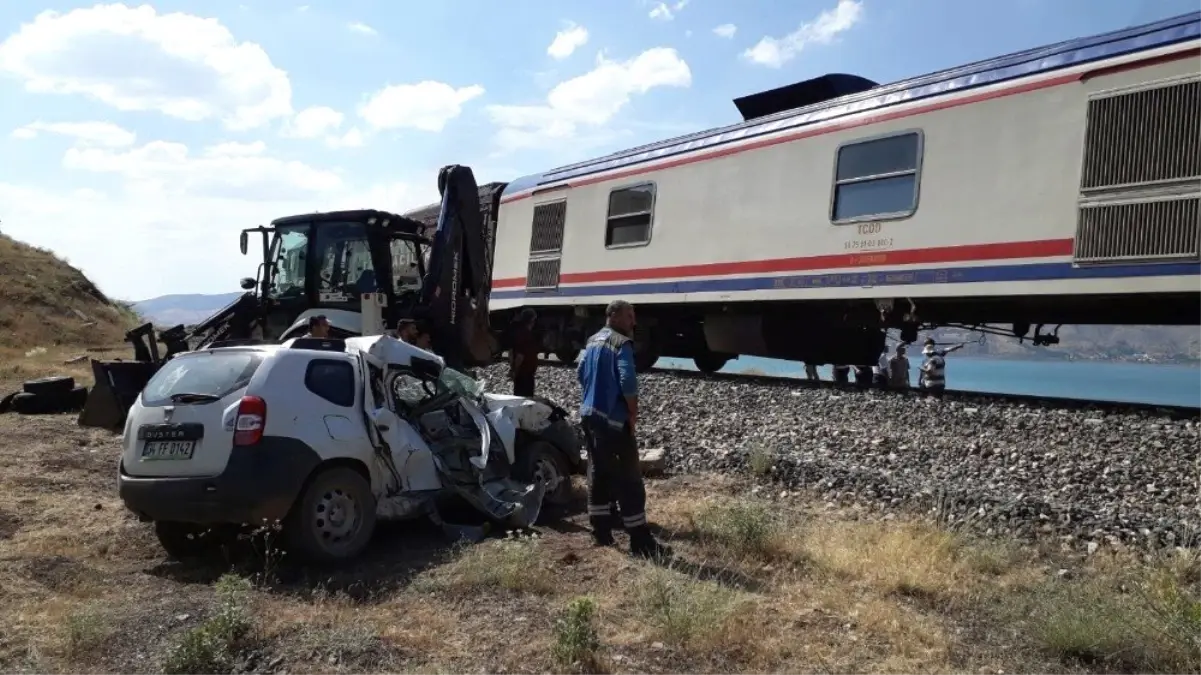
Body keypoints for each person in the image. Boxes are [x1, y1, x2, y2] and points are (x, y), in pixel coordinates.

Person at [577, 299, 668, 558]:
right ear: (614, 316)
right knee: (628, 479)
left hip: (589, 416)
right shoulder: (621, 344)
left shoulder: (592, 341)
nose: (634, 322)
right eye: (629, 316)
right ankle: (640, 540)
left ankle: (601, 532)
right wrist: (632, 412)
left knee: (598, 472)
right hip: (613, 422)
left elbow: (581, 372)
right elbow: (628, 381)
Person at [509, 308, 539, 397]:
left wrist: (512, 368)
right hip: (525, 374)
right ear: (532, 321)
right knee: (525, 398)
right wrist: (514, 370)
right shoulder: (527, 335)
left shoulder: (517, 333)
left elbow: (511, 352)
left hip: (521, 374)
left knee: (518, 396)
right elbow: (520, 356)